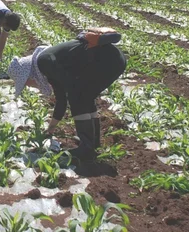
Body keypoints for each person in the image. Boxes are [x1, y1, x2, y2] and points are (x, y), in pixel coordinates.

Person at [7, 28, 126, 163]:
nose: (27, 85)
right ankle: (93, 143)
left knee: (78, 97)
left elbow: (70, 88)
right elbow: (61, 100)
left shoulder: (44, 62)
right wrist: (50, 130)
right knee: (85, 97)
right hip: (113, 60)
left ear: (27, 74)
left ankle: (86, 148)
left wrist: (74, 96)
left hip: (108, 61)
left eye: (25, 83)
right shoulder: (46, 63)